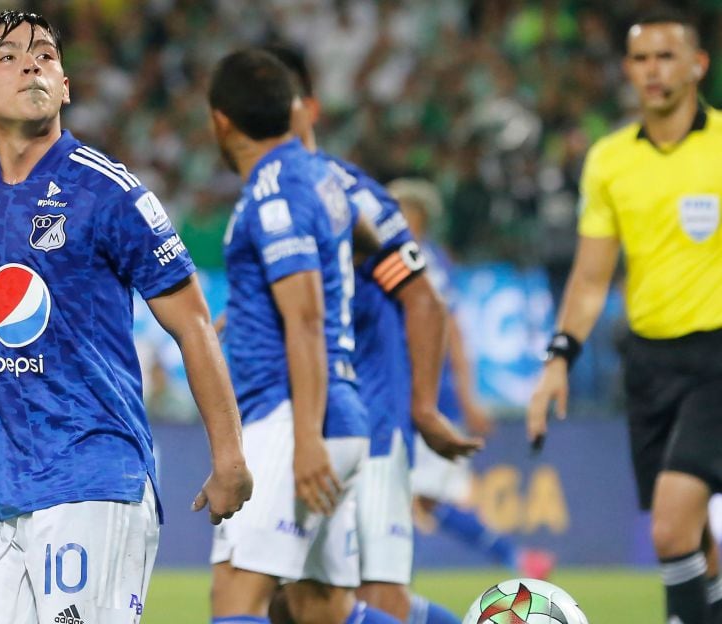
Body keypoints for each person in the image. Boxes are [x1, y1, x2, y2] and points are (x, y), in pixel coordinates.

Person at [0, 12, 252, 624]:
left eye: (45, 55)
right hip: (4, 494)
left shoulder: (110, 193)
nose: (32, 65)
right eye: (9, 57)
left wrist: (228, 457)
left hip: (98, 474)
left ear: (65, 85)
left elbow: (194, 324)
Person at [261, 45, 478, 624]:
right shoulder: (265, 196)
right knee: (293, 603)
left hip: (373, 424)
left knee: (374, 597)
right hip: (302, 428)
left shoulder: (349, 198)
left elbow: (424, 301)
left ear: (308, 110)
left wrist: (426, 408)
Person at [527, 9, 722, 624]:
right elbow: (589, 279)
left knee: (670, 528)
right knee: (693, 541)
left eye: (666, 56)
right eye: (640, 59)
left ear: (698, 66)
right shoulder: (610, 159)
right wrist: (559, 357)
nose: (652, 71)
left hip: (717, 357)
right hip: (649, 361)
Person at [207, 48, 397, 624]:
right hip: (336, 413)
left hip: (295, 420)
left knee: (237, 597)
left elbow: (307, 317)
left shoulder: (273, 191)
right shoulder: (319, 175)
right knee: (322, 609)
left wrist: (307, 440)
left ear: (221, 120)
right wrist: (248, 310)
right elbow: (366, 241)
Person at [394, 177, 555, 582]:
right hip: (406, 394)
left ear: (418, 218)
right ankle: (517, 559)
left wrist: (467, 398)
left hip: (424, 398)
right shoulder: (413, 260)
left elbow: (453, 332)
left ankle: (517, 559)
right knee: (418, 497)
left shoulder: (419, 261)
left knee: (422, 496)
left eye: (400, 213)